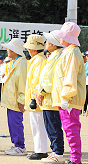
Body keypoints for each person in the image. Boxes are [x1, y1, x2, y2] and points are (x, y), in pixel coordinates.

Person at [52, 22, 86, 164]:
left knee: (71, 129)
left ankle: (75, 159)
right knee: (70, 129)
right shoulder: (70, 51)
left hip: (69, 98)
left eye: (63, 35)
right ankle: (74, 158)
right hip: (68, 97)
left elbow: (70, 76)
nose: (60, 37)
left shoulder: (71, 52)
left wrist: (65, 96)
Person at [35, 31, 65, 163]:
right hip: (48, 98)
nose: (46, 43)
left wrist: (41, 92)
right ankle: (55, 151)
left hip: (51, 97)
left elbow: (50, 79)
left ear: (53, 43)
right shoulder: (53, 56)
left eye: (48, 41)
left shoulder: (57, 57)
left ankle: (58, 153)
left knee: (53, 126)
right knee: (50, 125)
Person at [23, 34, 48, 160]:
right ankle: (40, 149)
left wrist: (33, 98)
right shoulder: (37, 59)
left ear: (33, 49)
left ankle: (41, 150)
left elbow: (36, 81)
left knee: (38, 125)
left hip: (36, 99)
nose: (28, 50)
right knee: (37, 125)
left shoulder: (38, 60)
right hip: (35, 97)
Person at [1, 39, 27, 156]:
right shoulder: (14, 62)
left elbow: (22, 82)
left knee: (16, 123)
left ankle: (20, 146)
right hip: (12, 99)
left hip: (16, 99)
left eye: (9, 48)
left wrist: (22, 100)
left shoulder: (21, 63)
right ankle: (16, 144)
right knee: (12, 123)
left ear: (15, 50)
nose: (7, 50)